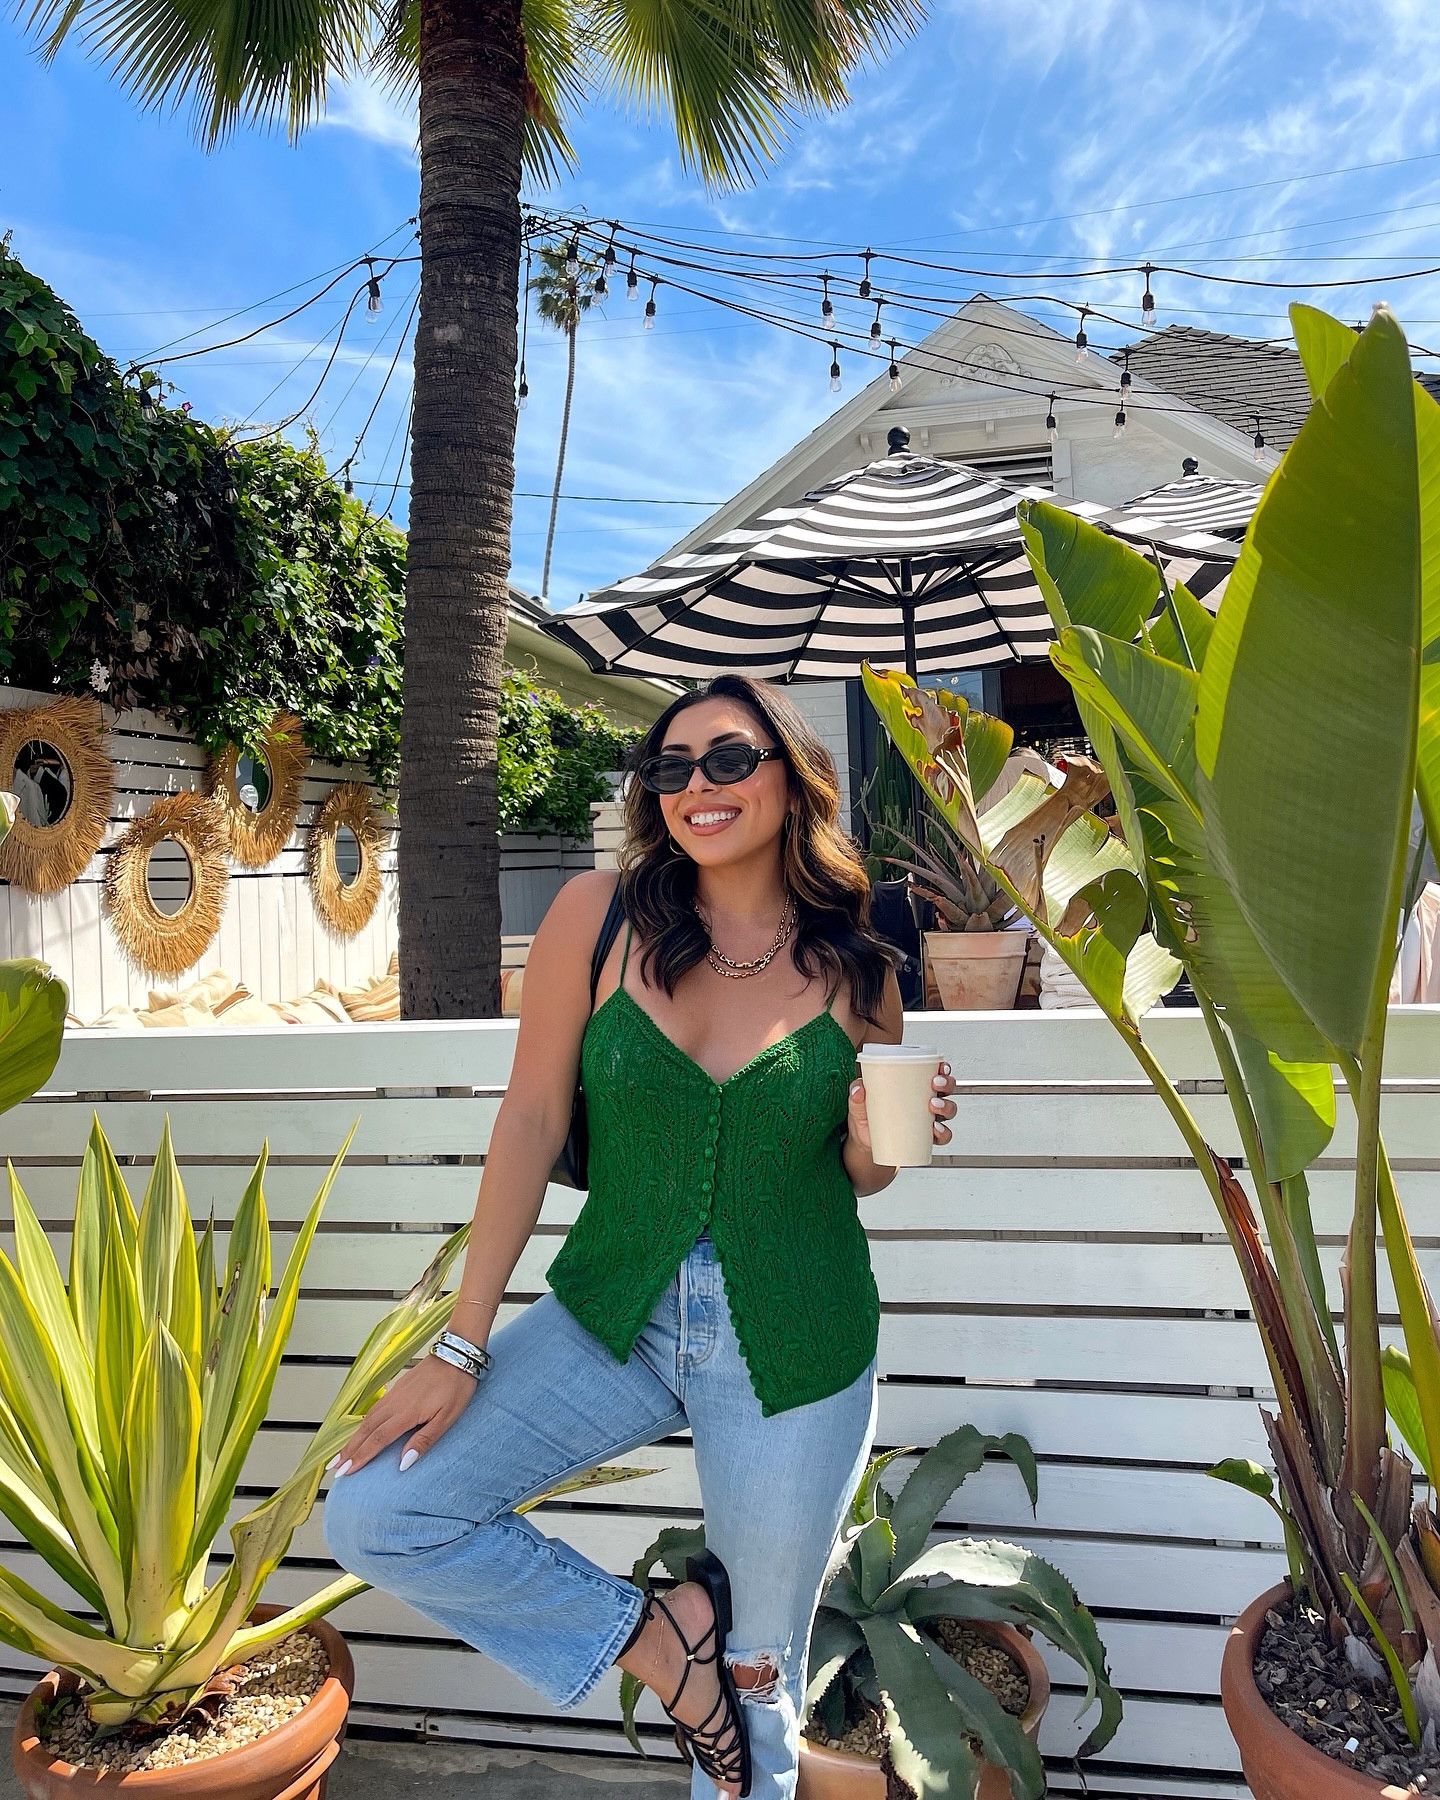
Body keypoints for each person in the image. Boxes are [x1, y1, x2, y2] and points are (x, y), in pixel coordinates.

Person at [324, 674, 957, 1800]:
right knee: (380, 1510)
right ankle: (671, 1646)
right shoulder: (597, 916)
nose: (695, 788)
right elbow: (530, 1119)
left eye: (726, 760)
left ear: (789, 775)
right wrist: (460, 1346)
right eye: (669, 768)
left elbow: (857, 1177)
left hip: (797, 1333)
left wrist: (882, 1141)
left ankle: (737, 1731)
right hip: (612, 1311)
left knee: (764, 1688)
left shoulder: (862, 958)